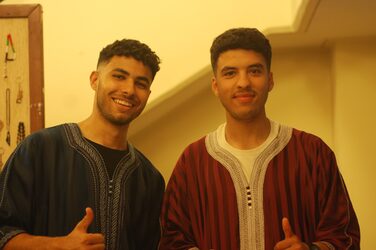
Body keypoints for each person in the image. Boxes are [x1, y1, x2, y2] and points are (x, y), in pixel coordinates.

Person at [159, 28, 360, 250]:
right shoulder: (193, 162)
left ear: (270, 80)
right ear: (215, 85)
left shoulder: (313, 153)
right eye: (230, 73)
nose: (243, 82)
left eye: (254, 71)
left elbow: (345, 238)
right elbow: (171, 240)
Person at [0, 39, 165, 249]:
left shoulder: (149, 178)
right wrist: (59, 246)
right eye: (119, 76)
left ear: (148, 94)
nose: (129, 90)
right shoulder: (39, 149)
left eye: (141, 83)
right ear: (95, 80)